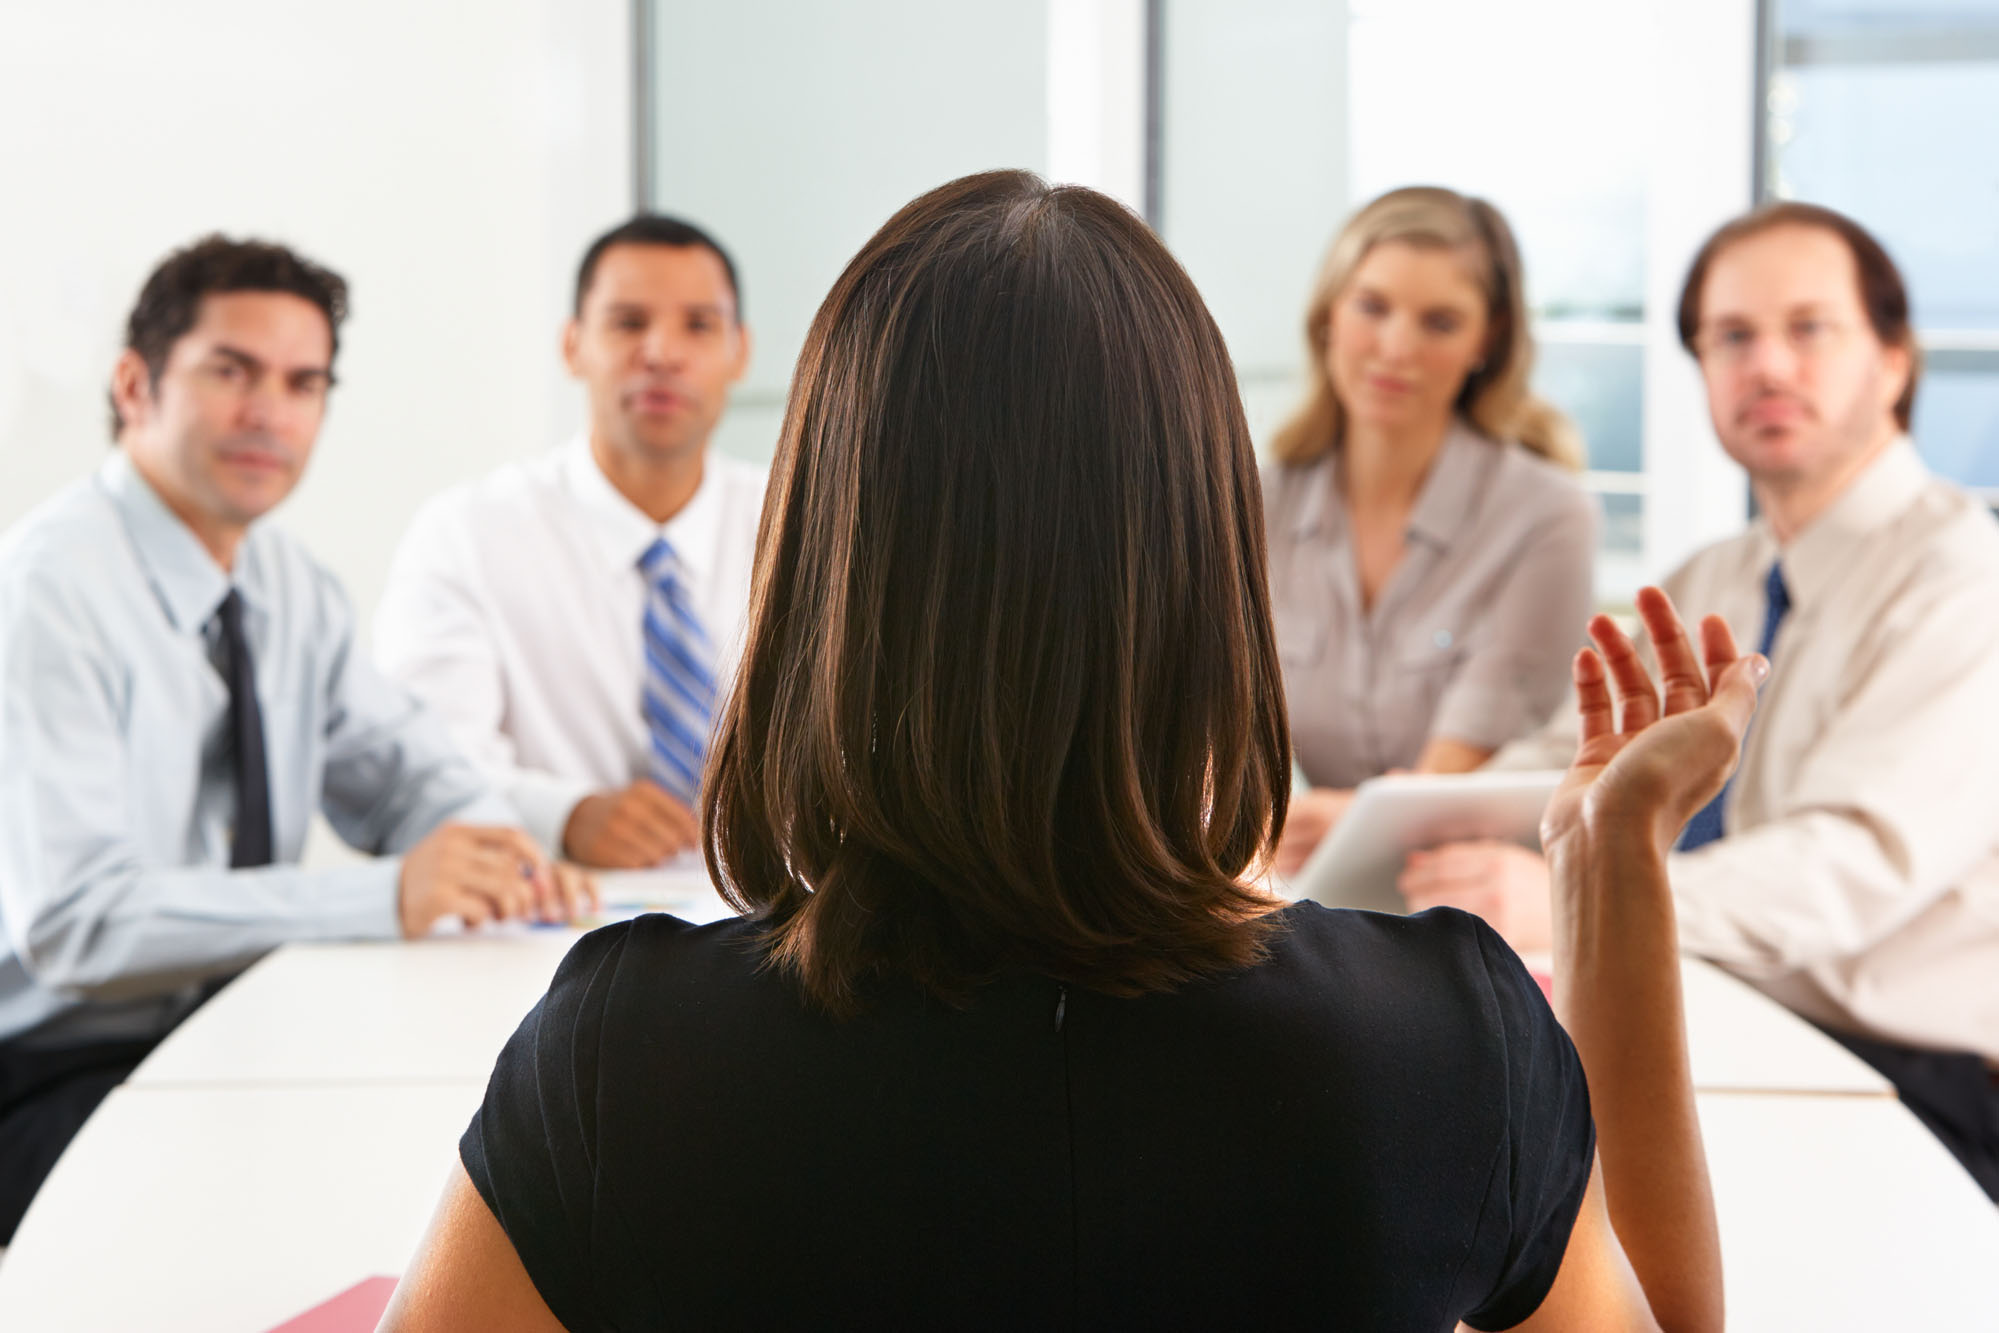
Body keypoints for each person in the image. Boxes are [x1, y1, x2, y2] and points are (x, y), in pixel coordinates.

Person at [382, 171, 1758, 1331]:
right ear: (1211, 582)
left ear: (815, 573)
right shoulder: (1442, 1044)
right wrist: (1609, 861)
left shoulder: (625, 1058)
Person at [0, 236, 592, 1243]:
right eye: (232, 372)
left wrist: (491, 847)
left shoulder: (286, 587)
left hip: (226, 1034)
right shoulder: (47, 593)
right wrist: (386, 894)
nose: (270, 412)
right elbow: (76, 924)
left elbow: (404, 777)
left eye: (302, 382)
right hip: (54, 1069)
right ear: (135, 385)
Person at [1403, 202, 1999, 1201]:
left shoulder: (1963, 579)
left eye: (1808, 328)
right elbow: (1568, 759)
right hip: (1715, 1018)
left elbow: (1851, 864)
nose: (1766, 365)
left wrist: (1583, 904)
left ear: (1893, 361)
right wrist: (1388, 813)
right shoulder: (1713, 578)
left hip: (1904, 1081)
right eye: (1730, 337)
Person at [374, 216, 764, 870]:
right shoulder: (467, 534)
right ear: (572, 345)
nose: (661, 353)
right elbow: (419, 765)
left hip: (785, 910)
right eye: (628, 323)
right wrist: (565, 815)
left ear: (740, 352)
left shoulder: (804, 526)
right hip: (557, 905)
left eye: (698, 326)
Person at [1265, 187, 1597, 876]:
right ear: (1328, 312)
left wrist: (1347, 822)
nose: (1395, 348)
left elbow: (1457, 775)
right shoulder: (1250, 502)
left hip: (1462, 893)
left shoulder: (1547, 518)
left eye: (1439, 323)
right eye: (1372, 307)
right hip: (1287, 882)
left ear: (1488, 340)